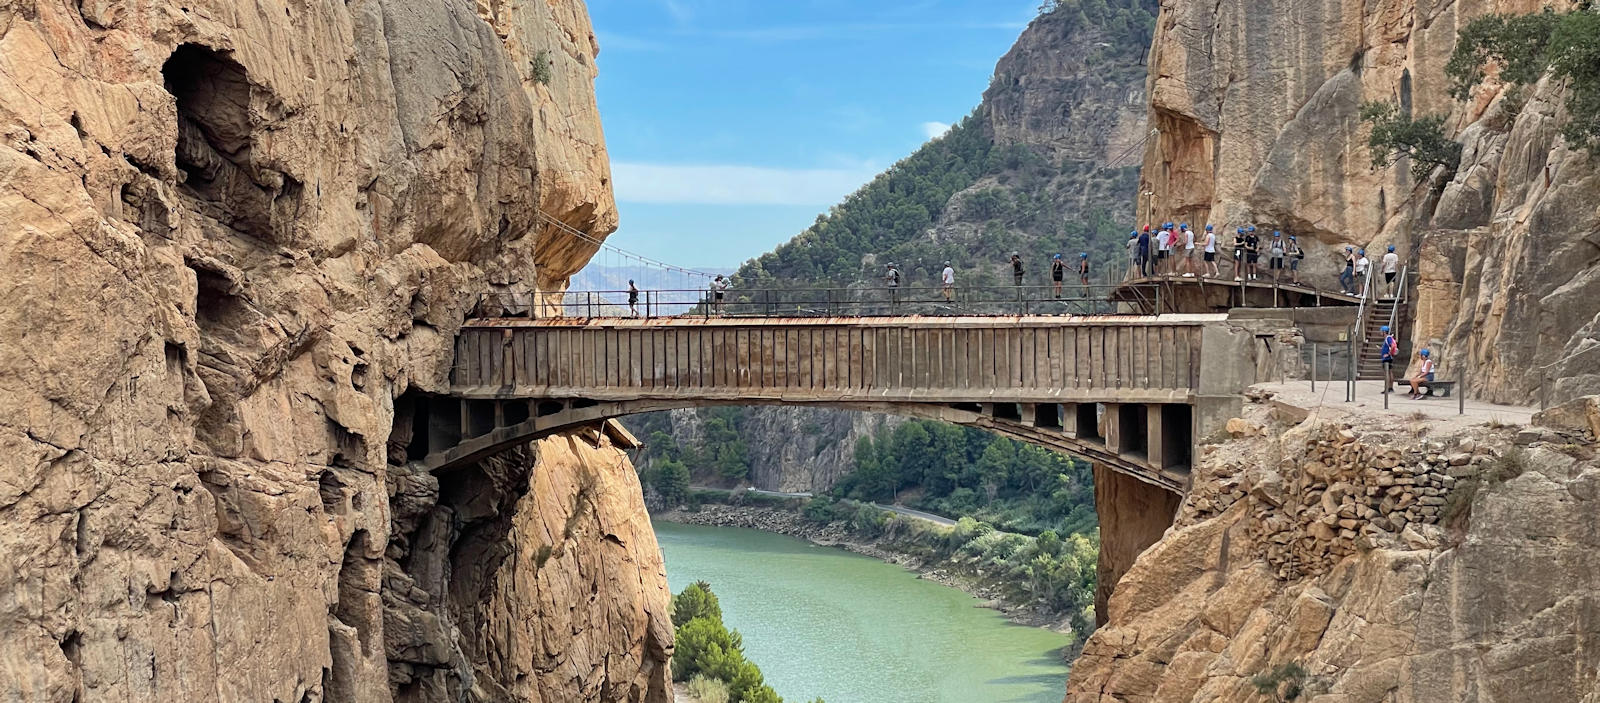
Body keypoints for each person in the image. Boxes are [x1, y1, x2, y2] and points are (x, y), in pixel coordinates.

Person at [1379, 325, 1399, 392]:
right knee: (1390, 372)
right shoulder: (1388, 338)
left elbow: (1392, 346)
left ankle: (1387, 388)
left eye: (1381, 331)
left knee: (1387, 373)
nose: (1380, 332)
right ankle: (1390, 387)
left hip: (1387, 359)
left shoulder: (1388, 338)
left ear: (1384, 332)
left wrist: (1388, 354)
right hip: (1388, 358)